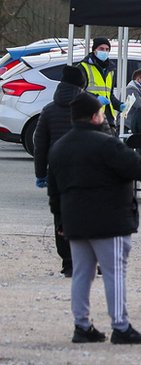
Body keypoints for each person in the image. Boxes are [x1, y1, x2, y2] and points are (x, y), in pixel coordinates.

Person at [47, 93, 141, 344]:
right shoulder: (107, 144)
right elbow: (140, 167)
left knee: (82, 273)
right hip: (110, 220)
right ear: (96, 116)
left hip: (74, 220)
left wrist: (60, 221)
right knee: (114, 272)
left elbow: (54, 191)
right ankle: (120, 326)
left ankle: (82, 326)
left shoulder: (60, 147)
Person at [34, 65, 89, 277]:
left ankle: (68, 262)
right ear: (81, 85)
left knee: (62, 215)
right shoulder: (89, 107)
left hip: (58, 171)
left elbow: (40, 145)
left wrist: (40, 174)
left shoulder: (48, 110)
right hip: (86, 170)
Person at [79, 37, 122, 129]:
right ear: (94, 50)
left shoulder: (110, 69)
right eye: (101, 49)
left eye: (107, 49)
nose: (104, 52)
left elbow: (109, 95)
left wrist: (119, 105)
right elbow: (78, 91)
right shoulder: (84, 67)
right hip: (91, 116)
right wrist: (95, 98)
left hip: (107, 118)